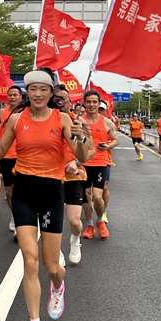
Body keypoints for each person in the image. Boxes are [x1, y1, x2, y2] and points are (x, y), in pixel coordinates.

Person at [0, 70, 89, 321]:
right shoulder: (17, 119)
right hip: (24, 192)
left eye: (42, 90)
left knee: (50, 265)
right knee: (29, 261)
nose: (36, 94)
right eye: (31, 89)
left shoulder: (63, 119)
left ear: (50, 93)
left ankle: (58, 285)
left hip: (51, 194)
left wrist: (81, 139)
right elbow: (0, 153)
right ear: (26, 92)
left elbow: (82, 157)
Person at [51, 85, 95, 265]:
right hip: (50, 176)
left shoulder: (79, 123)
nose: (60, 103)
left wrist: (75, 162)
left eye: (64, 99)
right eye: (57, 99)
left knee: (74, 221)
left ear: (71, 103)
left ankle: (75, 240)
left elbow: (91, 150)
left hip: (73, 177)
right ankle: (58, 251)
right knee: (53, 220)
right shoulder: (45, 120)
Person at [81, 90, 119, 241]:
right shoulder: (80, 121)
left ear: (99, 104)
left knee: (97, 196)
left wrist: (108, 145)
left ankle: (100, 221)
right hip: (83, 163)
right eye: (88, 102)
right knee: (86, 195)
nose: (91, 105)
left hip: (100, 162)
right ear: (84, 103)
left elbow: (116, 139)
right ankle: (89, 225)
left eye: (94, 102)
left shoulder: (106, 122)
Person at [0, 85, 24, 234]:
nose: (12, 97)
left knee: (21, 190)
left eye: (15, 95)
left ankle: (23, 218)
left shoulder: (26, 113)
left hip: (23, 157)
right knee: (10, 192)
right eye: (10, 95)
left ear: (21, 97)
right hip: (6, 156)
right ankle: (15, 215)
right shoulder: (2, 113)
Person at [99, 101, 114, 223]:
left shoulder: (108, 124)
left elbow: (115, 140)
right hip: (87, 160)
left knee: (104, 187)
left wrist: (108, 145)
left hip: (105, 160)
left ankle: (104, 212)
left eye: (101, 109)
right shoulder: (84, 122)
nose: (99, 111)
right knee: (89, 191)